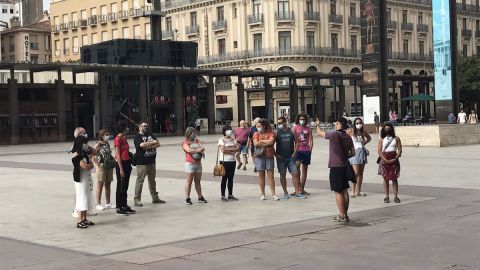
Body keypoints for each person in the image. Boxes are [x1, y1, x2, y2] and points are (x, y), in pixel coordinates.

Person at [316, 117, 354, 223]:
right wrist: (345, 157)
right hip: (344, 165)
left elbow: (319, 133)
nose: (336, 124)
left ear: (340, 124)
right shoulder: (348, 136)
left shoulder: (334, 134)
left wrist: (317, 125)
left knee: (338, 191)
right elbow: (353, 153)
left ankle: (342, 215)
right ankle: (345, 214)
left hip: (335, 166)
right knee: (345, 189)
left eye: (337, 123)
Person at [134, 121, 165, 207]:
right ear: (140, 127)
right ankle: (137, 199)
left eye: (146, 126)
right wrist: (152, 143)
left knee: (152, 180)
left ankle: (155, 197)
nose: (146, 127)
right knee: (140, 181)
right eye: (144, 126)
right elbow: (141, 145)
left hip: (151, 161)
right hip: (142, 163)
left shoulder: (150, 134)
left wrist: (149, 146)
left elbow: (158, 144)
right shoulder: (137, 136)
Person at [275, 117, 304, 199]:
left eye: (281, 123)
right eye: (278, 123)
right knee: (282, 174)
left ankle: (297, 192)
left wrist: (295, 153)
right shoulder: (277, 132)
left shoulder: (291, 130)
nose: (279, 124)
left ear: (285, 122)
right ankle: (285, 192)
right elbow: (271, 143)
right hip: (280, 157)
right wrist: (275, 155)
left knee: (295, 173)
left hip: (291, 157)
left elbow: (297, 142)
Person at [71, 127, 97, 219]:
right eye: (83, 133)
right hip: (80, 177)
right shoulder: (76, 151)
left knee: (86, 197)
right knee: (81, 197)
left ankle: (84, 218)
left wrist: (86, 145)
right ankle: (79, 217)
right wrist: (90, 164)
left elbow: (94, 152)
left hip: (87, 177)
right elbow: (86, 165)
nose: (85, 134)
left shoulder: (84, 149)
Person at [253, 119, 279, 201]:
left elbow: (271, 142)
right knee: (261, 175)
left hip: (269, 155)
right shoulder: (256, 133)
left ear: (264, 126)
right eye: (257, 126)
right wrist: (266, 143)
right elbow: (256, 143)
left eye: (259, 126)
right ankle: (262, 193)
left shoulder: (271, 133)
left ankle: (273, 194)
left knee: (270, 175)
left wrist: (261, 141)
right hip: (259, 156)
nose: (258, 128)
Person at [114, 121, 136, 216]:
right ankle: (119, 207)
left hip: (127, 162)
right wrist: (121, 169)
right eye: (126, 127)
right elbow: (118, 155)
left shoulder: (124, 138)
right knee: (120, 186)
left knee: (125, 185)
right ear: (123, 128)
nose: (127, 128)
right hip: (121, 163)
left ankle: (124, 204)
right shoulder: (117, 139)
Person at [378, 122, 403, 204]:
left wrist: (396, 158)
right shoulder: (381, 139)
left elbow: (399, 149)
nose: (387, 130)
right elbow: (379, 150)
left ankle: (395, 196)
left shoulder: (396, 138)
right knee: (385, 178)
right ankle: (386, 196)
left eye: (388, 128)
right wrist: (384, 159)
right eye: (385, 129)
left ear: (392, 129)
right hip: (384, 159)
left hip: (394, 159)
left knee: (394, 178)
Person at [182, 127, 207, 205]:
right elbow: (188, 150)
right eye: (192, 132)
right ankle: (187, 198)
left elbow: (202, 147)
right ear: (188, 133)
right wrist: (197, 150)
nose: (194, 134)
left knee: (198, 181)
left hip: (198, 163)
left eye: (195, 132)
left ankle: (200, 196)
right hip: (190, 164)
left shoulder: (197, 140)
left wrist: (200, 150)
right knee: (189, 181)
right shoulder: (185, 142)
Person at [347, 118, 371, 197]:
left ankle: (358, 191)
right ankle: (353, 191)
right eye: (357, 123)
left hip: (362, 152)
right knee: (356, 172)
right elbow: (344, 138)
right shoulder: (351, 131)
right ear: (354, 124)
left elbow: (369, 138)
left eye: (360, 123)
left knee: (361, 173)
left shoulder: (362, 132)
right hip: (354, 152)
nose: (358, 124)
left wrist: (364, 142)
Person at [93, 129, 116, 211]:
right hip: (101, 166)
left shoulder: (107, 143)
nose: (108, 136)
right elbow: (92, 155)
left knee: (108, 184)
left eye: (108, 134)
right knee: (100, 184)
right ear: (102, 136)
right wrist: (98, 164)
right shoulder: (98, 144)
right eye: (106, 134)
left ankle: (108, 203)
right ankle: (98, 203)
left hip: (108, 166)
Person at [293, 113, 313, 196]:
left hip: (306, 150)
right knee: (297, 169)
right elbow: (293, 139)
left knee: (305, 170)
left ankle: (302, 189)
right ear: (298, 120)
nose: (302, 121)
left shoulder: (308, 128)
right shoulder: (295, 128)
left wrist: (310, 150)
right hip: (298, 150)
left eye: (303, 119)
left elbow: (311, 139)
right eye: (301, 119)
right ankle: (298, 188)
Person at [218, 125, 240, 202]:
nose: (229, 131)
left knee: (231, 178)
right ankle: (223, 195)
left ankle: (230, 194)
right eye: (227, 129)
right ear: (224, 131)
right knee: (224, 178)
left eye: (230, 129)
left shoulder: (233, 139)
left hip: (232, 161)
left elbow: (237, 148)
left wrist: (229, 149)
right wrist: (232, 149)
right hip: (224, 161)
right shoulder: (221, 140)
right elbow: (223, 150)